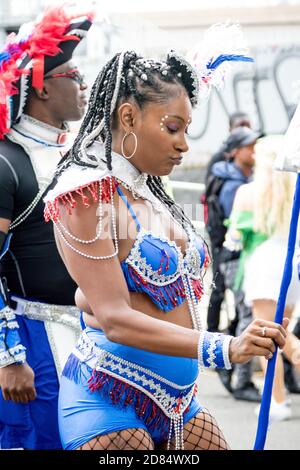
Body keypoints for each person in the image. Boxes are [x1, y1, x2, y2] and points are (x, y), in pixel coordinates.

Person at [44, 29, 288, 451]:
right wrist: (224, 347)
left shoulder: (152, 193)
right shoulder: (84, 195)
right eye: (172, 127)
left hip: (182, 402)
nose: (183, 144)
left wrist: (251, 331)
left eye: (187, 129)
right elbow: (116, 318)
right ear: (128, 118)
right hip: (110, 398)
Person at [0, 7, 93, 449]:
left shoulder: (81, 157)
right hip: (34, 342)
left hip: (94, 336)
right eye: (73, 76)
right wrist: (8, 356)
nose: (83, 86)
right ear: (40, 85)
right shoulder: (5, 162)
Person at [224, 135, 300, 421]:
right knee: (283, 330)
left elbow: (233, 238)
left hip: (263, 264)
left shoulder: (248, 193)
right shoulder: (296, 191)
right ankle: (279, 397)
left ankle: (277, 401)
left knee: (269, 338)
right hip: (291, 266)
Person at [205, 111, 251, 183]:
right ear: (230, 130)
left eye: (248, 126)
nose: (245, 130)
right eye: (240, 126)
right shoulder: (219, 157)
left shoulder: (258, 153)